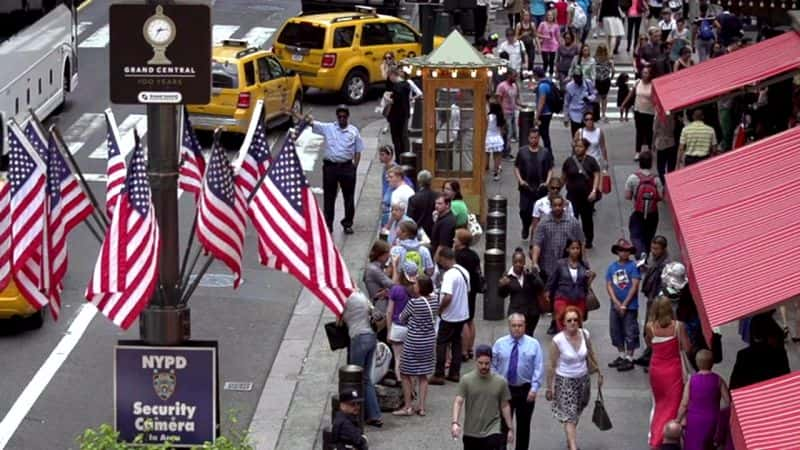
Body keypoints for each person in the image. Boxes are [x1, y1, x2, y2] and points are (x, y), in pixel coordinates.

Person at [545, 306, 602, 450]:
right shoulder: (558, 340)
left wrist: (598, 372)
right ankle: (573, 446)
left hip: (583, 379)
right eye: (569, 320)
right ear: (563, 322)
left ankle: (570, 440)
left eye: (576, 320)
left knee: (576, 411)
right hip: (565, 381)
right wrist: (549, 387)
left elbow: (591, 353)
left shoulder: (585, 334)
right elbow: (551, 365)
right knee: (570, 415)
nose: (573, 323)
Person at [307, 106, 364, 234]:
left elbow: (358, 150)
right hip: (330, 167)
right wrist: (301, 116)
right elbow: (311, 123)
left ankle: (347, 223)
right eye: (340, 117)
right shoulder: (329, 128)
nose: (342, 119)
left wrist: (354, 167)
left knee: (348, 197)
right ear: (337, 117)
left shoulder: (353, 131)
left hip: (347, 167)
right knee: (329, 197)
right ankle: (328, 224)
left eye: (344, 117)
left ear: (348, 117)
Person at [492, 313, 545, 450]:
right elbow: (493, 365)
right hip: (505, 389)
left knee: (523, 425)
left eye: (520, 325)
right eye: (514, 325)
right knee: (503, 424)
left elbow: (538, 367)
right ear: (509, 326)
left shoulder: (533, 344)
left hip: (524, 390)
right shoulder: (500, 344)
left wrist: (534, 389)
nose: (517, 328)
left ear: (525, 326)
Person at [646, 297, 691, 450]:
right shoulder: (678, 326)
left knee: (659, 404)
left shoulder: (650, 327)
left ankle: (655, 435)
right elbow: (687, 347)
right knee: (673, 405)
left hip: (656, 370)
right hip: (673, 370)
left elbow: (650, 344)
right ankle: (664, 438)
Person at [451, 345, 514, 450]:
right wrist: (455, 423)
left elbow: (505, 405)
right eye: (480, 363)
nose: (484, 366)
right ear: (476, 361)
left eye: (487, 363)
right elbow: (458, 401)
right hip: (471, 432)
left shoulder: (500, 382)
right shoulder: (466, 380)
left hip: (493, 430)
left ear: (491, 362)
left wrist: (510, 428)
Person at [395, 276, 438, 417]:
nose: (414, 286)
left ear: (420, 288)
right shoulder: (434, 301)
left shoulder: (414, 303)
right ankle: (422, 407)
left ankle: (408, 406)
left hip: (414, 341)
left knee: (405, 372)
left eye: (416, 284)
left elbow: (402, 317)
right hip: (429, 341)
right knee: (423, 375)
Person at [341, 292, 383, 427]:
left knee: (354, 378)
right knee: (366, 378)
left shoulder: (346, 301)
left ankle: (355, 413)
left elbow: (340, 320)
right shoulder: (362, 297)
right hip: (370, 337)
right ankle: (374, 414)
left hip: (358, 338)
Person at [676, 350, 731, 450]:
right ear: (712, 363)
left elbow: (684, 403)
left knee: (693, 445)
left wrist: (678, 419)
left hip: (694, 420)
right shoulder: (718, 380)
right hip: (712, 419)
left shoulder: (692, 380)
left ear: (697, 363)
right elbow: (728, 401)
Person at [431, 247, 471, 385]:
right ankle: (455, 372)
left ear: (443, 258)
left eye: (440, 261)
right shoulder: (464, 271)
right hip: (461, 314)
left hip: (450, 315)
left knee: (441, 342)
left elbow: (448, 296)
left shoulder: (449, 275)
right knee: (456, 343)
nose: (440, 264)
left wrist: (439, 310)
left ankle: (439, 373)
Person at [634, 236, 671, 367]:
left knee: (653, 330)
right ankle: (648, 354)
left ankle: (652, 356)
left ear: (663, 249)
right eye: (652, 248)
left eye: (656, 249)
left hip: (658, 301)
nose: (653, 251)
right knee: (648, 330)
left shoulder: (666, 265)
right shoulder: (653, 258)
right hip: (651, 297)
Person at [729, 313, 791, 390]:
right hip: (776, 395)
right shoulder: (779, 353)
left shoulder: (744, 355)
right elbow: (786, 381)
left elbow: (734, 386)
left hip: (753, 397)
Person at [606, 239, 641, 372]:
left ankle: (629, 357)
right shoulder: (612, 267)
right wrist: (616, 302)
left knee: (630, 330)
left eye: (627, 251)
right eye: (621, 250)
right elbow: (609, 285)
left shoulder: (633, 266)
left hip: (630, 306)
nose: (624, 253)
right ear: (617, 251)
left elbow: (635, 285)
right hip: (615, 305)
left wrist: (625, 304)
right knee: (615, 330)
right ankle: (621, 354)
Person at [561, 137, 601, 248]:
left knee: (587, 218)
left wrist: (594, 190)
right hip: (572, 196)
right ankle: (572, 240)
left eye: (580, 146)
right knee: (572, 218)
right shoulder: (569, 161)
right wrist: (557, 190)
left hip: (587, 196)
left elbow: (597, 175)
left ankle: (588, 239)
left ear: (586, 148)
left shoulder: (591, 161)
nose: (578, 149)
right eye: (576, 146)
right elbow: (563, 177)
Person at [515, 128, 554, 240]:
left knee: (538, 211)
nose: (533, 140)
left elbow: (550, 168)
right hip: (526, 187)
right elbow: (517, 167)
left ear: (539, 138)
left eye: (536, 138)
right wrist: (520, 180)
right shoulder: (522, 152)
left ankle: (536, 233)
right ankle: (525, 226)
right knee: (524, 210)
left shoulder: (545, 152)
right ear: (528, 138)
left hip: (540, 187)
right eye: (531, 138)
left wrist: (547, 182)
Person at [546, 239, 593, 330]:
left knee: (576, 326)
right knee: (563, 324)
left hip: (579, 298)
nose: (575, 250)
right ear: (567, 249)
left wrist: (591, 277)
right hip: (562, 297)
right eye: (573, 248)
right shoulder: (560, 264)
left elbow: (586, 286)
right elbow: (552, 280)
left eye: (577, 248)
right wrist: (548, 292)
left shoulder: (584, 264)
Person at [499, 248, 546, 336]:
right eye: (516, 262)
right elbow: (502, 294)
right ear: (512, 262)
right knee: (516, 335)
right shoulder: (508, 275)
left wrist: (531, 275)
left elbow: (540, 286)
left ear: (524, 262)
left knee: (528, 336)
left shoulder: (530, 272)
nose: (518, 264)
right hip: (516, 311)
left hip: (532, 312)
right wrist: (503, 286)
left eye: (520, 262)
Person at [625, 150, 663, 257]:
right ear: (651, 163)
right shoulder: (656, 179)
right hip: (653, 213)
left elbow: (627, 196)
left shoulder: (632, 178)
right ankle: (645, 254)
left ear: (639, 162)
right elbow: (660, 197)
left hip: (638, 212)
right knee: (649, 237)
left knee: (636, 236)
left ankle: (640, 254)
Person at [454, 229, 483, 362]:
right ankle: (470, 348)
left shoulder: (459, 256)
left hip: (463, 291)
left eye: (456, 238)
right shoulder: (474, 255)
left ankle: (464, 351)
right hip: (473, 290)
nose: (454, 240)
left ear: (461, 241)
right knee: (470, 319)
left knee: (464, 320)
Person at [387, 260, 418, 380]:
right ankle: (412, 387)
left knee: (398, 358)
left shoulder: (395, 289)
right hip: (412, 329)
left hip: (397, 327)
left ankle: (401, 383)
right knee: (412, 359)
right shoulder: (416, 290)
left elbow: (389, 311)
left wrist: (389, 331)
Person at [622, 66, 656, 158]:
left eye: (646, 73)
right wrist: (624, 104)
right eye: (643, 72)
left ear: (650, 75)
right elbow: (631, 94)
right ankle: (638, 151)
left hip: (649, 111)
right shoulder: (637, 82)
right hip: (638, 110)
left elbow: (656, 98)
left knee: (649, 131)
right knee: (639, 131)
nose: (644, 75)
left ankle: (649, 149)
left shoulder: (653, 84)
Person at [496, 69, 524, 152]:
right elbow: (499, 100)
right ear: (509, 76)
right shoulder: (502, 86)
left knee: (510, 133)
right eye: (514, 76)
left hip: (512, 112)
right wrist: (502, 113)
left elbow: (516, 100)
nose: (515, 78)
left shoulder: (514, 86)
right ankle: (505, 151)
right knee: (507, 133)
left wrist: (522, 105)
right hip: (505, 113)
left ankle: (506, 150)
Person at [385, 69, 411, 158]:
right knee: (404, 137)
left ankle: (399, 157)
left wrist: (387, 99)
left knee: (396, 139)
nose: (389, 79)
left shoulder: (396, 87)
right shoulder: (406, 85)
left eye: (389, 77)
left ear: (393, 75)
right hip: (405, 115)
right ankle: (406, 155)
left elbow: (393, 102)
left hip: (395, 117)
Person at [563, 69, 597, 136]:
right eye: (576, 79)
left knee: (587, 137)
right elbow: (566, 103)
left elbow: (594, 94)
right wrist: (566, 117)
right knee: (576, 137)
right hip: (574, 115)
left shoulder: (588, 83)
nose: (578, 81)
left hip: (586, 113)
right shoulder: (569, 86)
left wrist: (589, 99)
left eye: (579, 78)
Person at [407, 170, 437, 237]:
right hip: (434, 231)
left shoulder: (413, 199)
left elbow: (410, 218)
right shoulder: (438, 196)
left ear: (419, 181)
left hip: (418, 231)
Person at [533, 67, 556, 151]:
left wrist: (537, 116)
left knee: (544, 134)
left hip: (544, 113)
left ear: (536, 75)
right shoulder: (548, 83)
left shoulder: (542, 86)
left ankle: (549, 155)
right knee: (544, 134)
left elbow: (541, 102)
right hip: (549, 111)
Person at [652, 112, 677, 185]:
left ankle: (663, 183)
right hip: (671, 142)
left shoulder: (658, 117)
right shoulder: (672, 116)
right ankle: (669, 182)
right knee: (671, 166)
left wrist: (653, 143)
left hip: (661, 143)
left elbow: (655, 131)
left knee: (660, 166)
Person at [486, 93, 507, 181]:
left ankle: (485, 169)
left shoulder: (488, 117)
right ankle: (496, 173)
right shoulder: (500, 117)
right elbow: (502, 130)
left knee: (486, 156)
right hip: (497, 137)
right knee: (497, 157)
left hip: (488, 137)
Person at [431, 193, 457, 258]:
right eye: (436, 203)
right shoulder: (441, 216)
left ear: (447, 205)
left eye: (440, 203)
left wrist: (435, 262)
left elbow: (442, 245)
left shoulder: (447, 222)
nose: (436, 206)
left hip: (442, 256)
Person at [593, 45, 614, 123]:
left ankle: (602, 114)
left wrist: (610, 78)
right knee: (602, 97)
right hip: (602, 80)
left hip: (602, 80)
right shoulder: (597, 59)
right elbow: (613, 70)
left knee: (601, 97)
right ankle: (602, 114)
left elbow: (613, 70)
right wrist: (610, 77)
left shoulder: (596, 59)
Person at [538, 10, 560, 77]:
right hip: (544, 44)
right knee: (545, 61)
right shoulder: (542, 24)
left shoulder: (556, 25)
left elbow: (557, 36)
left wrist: (558, 44)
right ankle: (543, 74)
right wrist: (544, 36)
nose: (550, 17)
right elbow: (537, 34)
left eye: (551, 15)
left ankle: (551, 74)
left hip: (553, 45)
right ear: (546, 16)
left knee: (551, 61)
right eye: (548, 15)